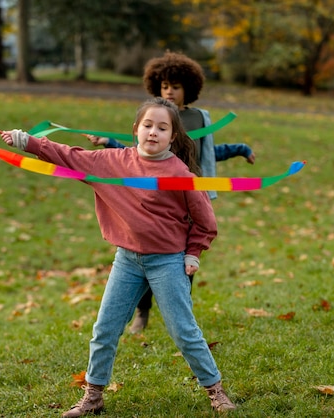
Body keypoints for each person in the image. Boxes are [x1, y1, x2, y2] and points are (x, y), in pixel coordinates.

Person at [1, 98, 236, 416]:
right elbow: (69, 155)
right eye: (148, 125)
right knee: (105, 329)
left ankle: (215, 390)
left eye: (162, 128)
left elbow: (205, 221)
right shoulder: (110, 162)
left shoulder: (180, 173)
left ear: (173, 137)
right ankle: (94, 395)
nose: (153, 132)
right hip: (127, 260)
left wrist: (193, 252)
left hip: (167, 261)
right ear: (136, 130)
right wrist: (26, 141)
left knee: (184, 331)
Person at [87, 51, 255, 333]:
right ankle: (143, 312)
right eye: (165, 86)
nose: (169, 92)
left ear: (188, 88)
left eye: (175, 87)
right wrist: (108, 142)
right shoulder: (155, 120)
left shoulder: (198, 119)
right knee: (145, 254)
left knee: (183, 259)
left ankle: (180, 314)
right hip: (156, 201)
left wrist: (241, 149)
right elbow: (135, 159)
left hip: (189, 199)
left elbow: (209, 153)